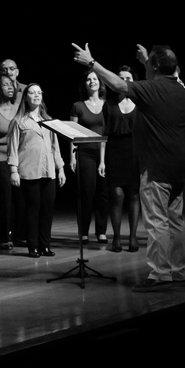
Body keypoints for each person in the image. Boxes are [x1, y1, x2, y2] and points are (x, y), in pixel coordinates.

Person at [73, 43, 185, 292]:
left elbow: (118, 85)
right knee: (176, 221)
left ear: (155, 67)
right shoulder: (179, 89)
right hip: (179, 165)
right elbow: (161, 74)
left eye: (149, 64)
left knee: (157, 222)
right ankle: (178, 271)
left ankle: (160, 274)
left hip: (157, 166)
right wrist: (148, 60)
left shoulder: (152, 89)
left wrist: (92, 63)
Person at [7, 83, 66, 257]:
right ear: (26, 97)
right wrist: (13, 170)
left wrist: (60, 168)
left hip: (48, 170)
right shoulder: (18, 121)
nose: (36, 95)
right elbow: (13, 148)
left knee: (47, 209)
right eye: (32, 93)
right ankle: (32, 245)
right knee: (33, 208)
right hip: (29, 170)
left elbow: (55, 147)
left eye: (39, 93)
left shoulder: (49, 121)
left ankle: (45, 245)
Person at [102, 66, 140, 253]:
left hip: (135, 151)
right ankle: (116, 237)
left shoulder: (140, 102)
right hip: (114, 151)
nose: (124, 80)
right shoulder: (108, 103)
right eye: (121, 77)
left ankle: (132, 237)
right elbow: (104, 134)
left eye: (128, 77)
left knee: (133, 194)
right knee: (116, 195)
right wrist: (102, 160)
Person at [69, 69, 109, 244]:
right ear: (84, 84)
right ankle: (83, 231)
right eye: (88, 79)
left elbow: (106, 134)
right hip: (84, 153)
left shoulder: (107, 105)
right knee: (86, 192)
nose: (92, 81)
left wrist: (103, 160)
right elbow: (71, 133)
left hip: (103, 152)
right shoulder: (78, 106)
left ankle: (101, 231)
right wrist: (72, 157)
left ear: (100, 83)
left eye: (95, 79)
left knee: (103, 193)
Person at [0, 73, 23, 250]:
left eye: (11, 84)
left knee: (21, 197)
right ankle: (3, 237)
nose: (10, 87)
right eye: (5, 85)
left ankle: (20, 234)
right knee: (5, 198)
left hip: (19, 157)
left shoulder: (19, 107)